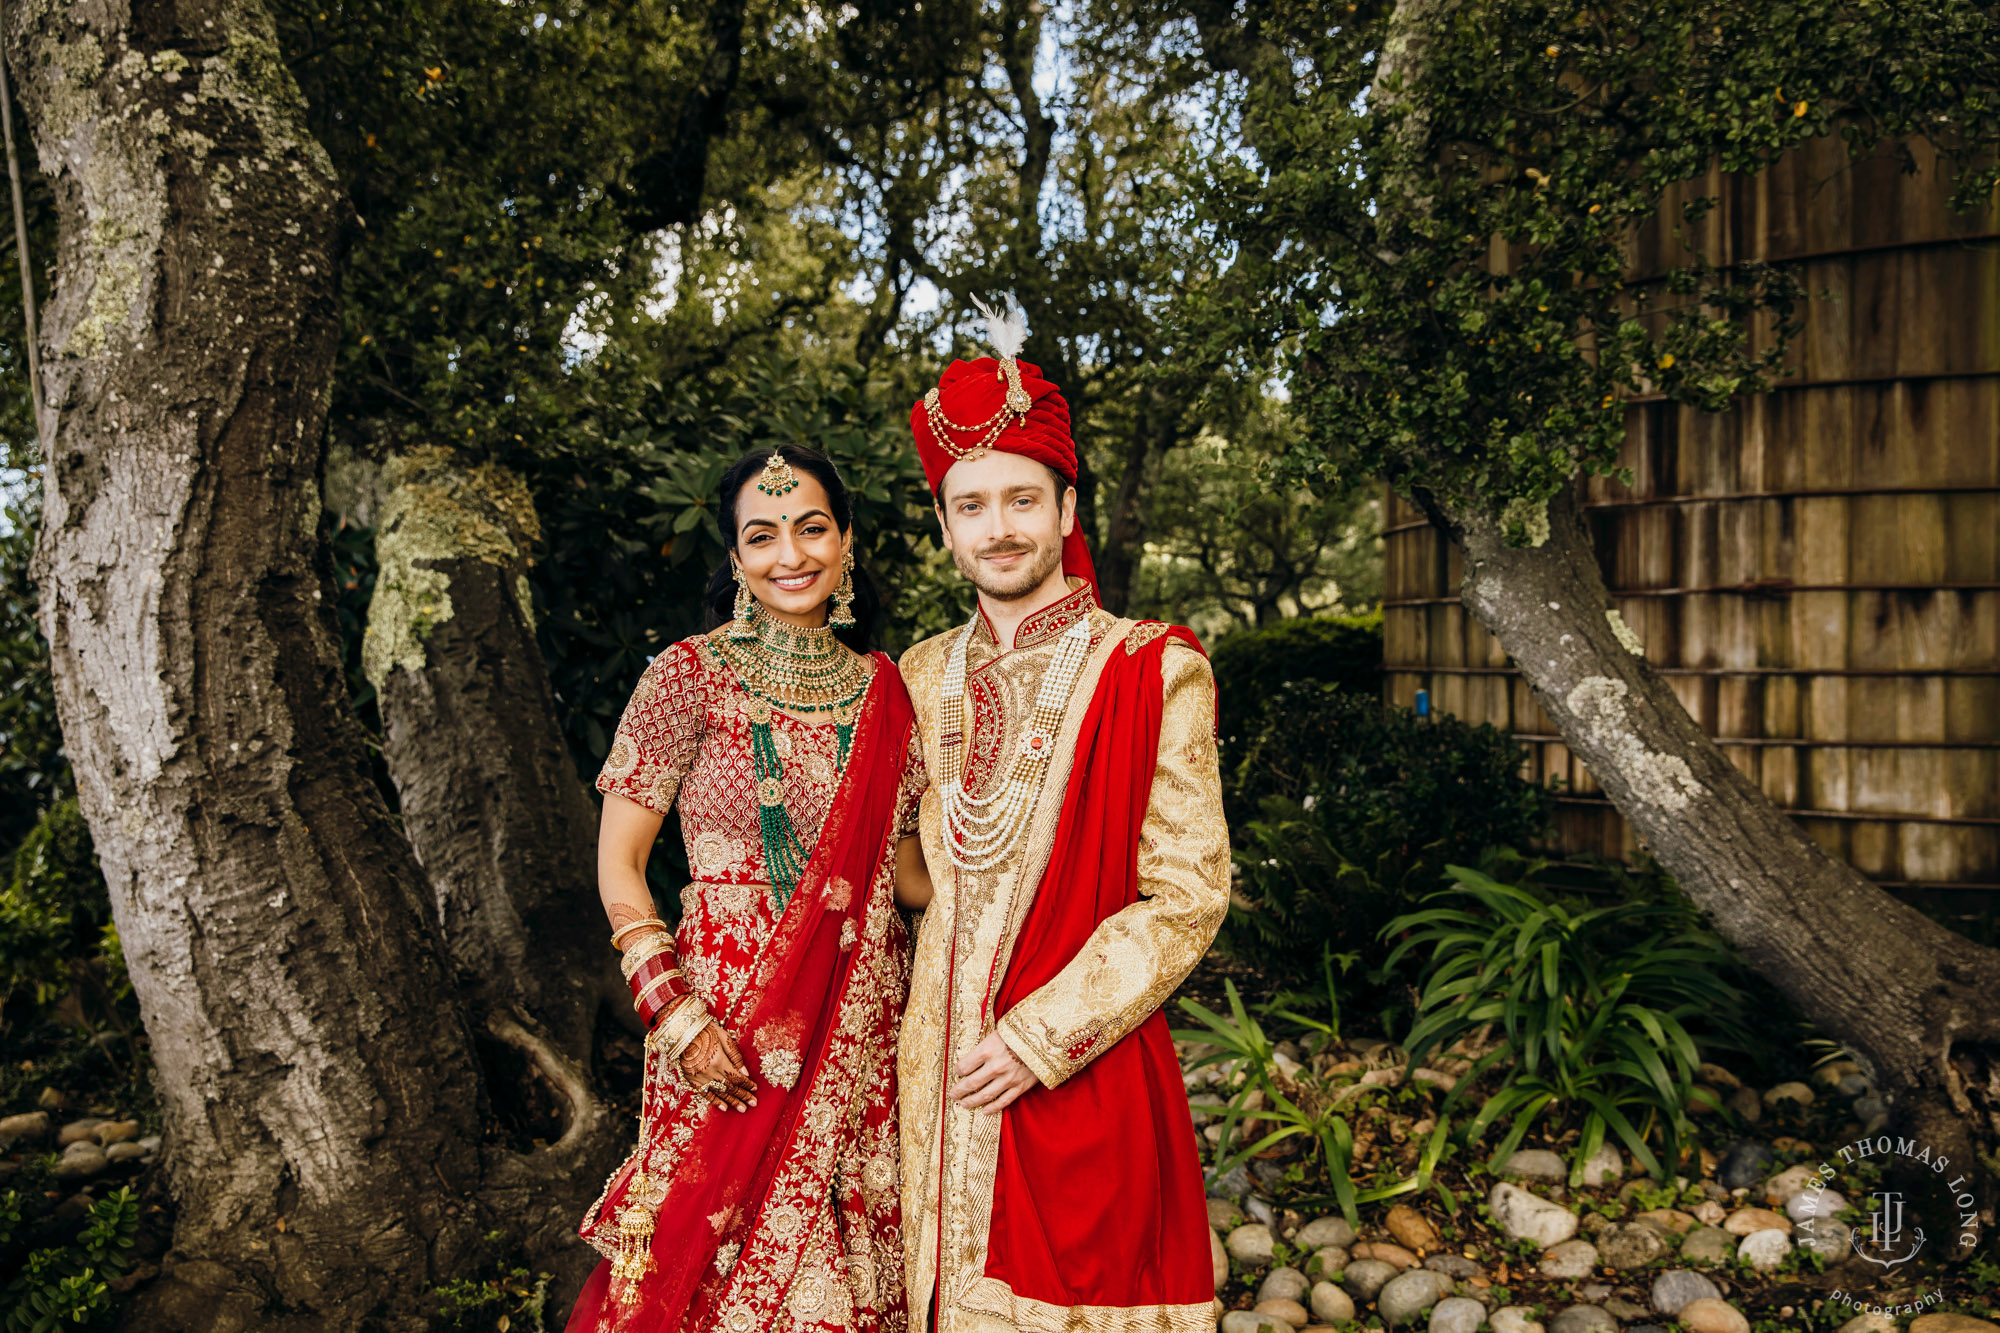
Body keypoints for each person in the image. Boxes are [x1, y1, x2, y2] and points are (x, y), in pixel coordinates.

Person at [894, 305, 1232, 1333]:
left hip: (1073, 1077)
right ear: (943, 524)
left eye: (1020, 499)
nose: (998, 528)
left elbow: (1185, 897)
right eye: (971, 505)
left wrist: (1042, 1034)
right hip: (931, 1081)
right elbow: (909, 875)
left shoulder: (1150, 669)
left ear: (1064, 506)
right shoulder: (913, 677)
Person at [566, 444, 927, 1333]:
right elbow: (620, 863)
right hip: (724, 1022)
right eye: (761, 536)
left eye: (811, 529)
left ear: (846, 541)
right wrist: (675, 1016)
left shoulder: (888, 692)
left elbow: (913, 879)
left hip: (860, 1024)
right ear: (735, 559)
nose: (790, 555)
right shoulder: (686, 676)